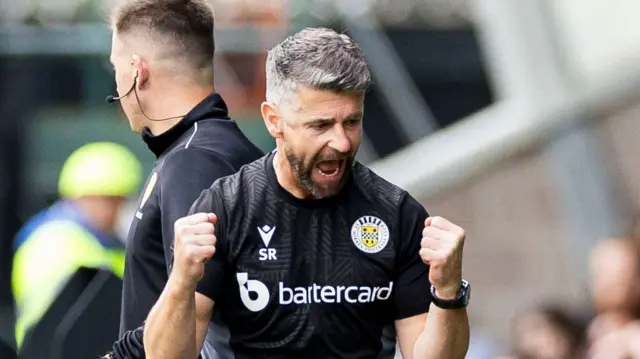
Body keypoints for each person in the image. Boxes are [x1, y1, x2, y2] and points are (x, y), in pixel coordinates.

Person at [143, 27, 471, 359]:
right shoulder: (226, 209)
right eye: (321, 125)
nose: (342, 142)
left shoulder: (397, 214)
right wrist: (182, 281)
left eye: (352, 122)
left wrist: (448, 291)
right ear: (274, 121)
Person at [105, 0, 264, 356]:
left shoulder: (194, 160)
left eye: (115, 66)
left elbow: (193, 318)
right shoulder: (213, 149)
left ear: (136, 71)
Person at [12, 142, 142, 349]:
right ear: (96, 199)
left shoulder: (98, 240)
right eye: (117, 201)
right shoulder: (56, 241)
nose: (121, 210)